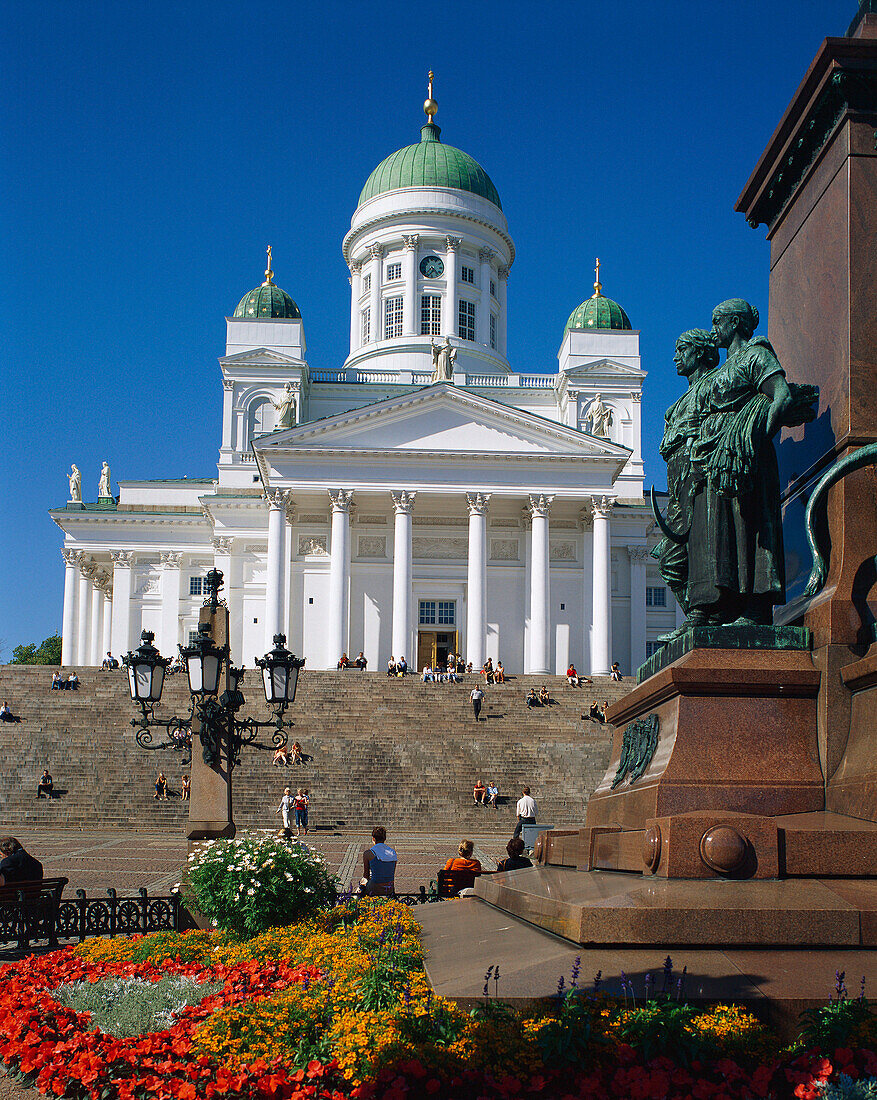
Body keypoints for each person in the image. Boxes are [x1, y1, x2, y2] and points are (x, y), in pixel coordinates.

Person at [361, 825, 397, 897]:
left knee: (362, 886)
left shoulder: (368, 853)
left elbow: (366, 875)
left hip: (375, 887)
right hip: (390, 887)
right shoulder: (393, 852)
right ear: (385, 838)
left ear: (373, 839)